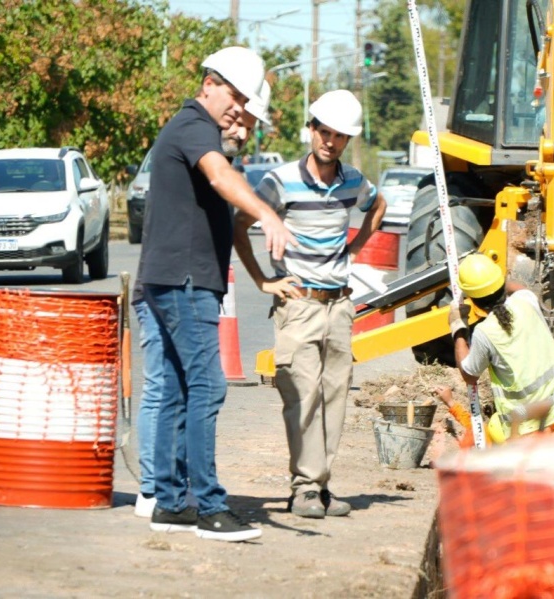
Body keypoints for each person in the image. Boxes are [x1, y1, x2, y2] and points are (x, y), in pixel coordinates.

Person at [138, 46, 295, 542]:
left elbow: (225, 187)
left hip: (176, 277)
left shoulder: (198, 130)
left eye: (245, 100)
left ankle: (168, 501)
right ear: (209, 82)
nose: (237, 107)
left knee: (180, 389)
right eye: (233, 94)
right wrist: (268, 214)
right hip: (183, 280)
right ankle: (208, 507)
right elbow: (221, 176)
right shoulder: (194, 127)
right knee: (208, 386)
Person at [232, 89, 387, 519]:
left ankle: (320, 485)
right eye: (324, 132)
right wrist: (264, 281)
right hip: (298, 305)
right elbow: (240, 226)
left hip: (339, 306)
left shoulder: (353, 181)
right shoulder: (279, 182)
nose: (330, 142)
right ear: (312, 130)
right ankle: (302, 487)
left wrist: (355, 248)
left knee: (335, 396)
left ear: (347, 141)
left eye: (339, 136)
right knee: (301, 397)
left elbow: (378, 206)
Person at [447, 254, 554, 444]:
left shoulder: (485, 332)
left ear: (473, 299)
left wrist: (458, 328)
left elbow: (469, 374)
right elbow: (518, 288)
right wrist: (498, 279)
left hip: (527, 431)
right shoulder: (526, 300)